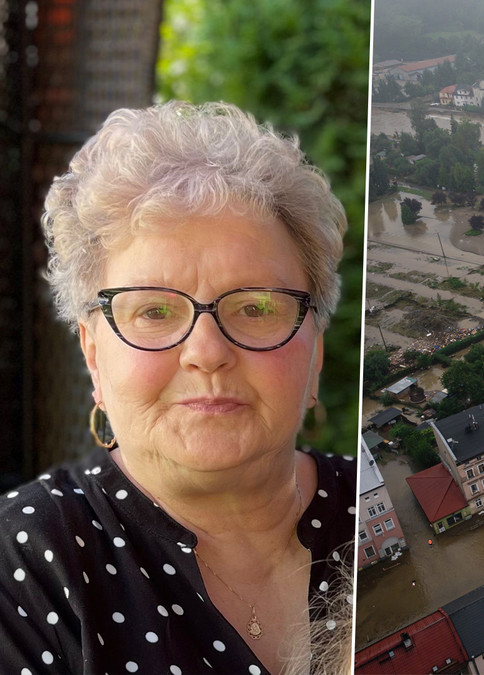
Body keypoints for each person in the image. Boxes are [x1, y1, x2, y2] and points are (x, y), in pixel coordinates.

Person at [0, 102, 356, 674]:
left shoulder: (379, 503)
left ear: (314, 349)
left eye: (257, 306)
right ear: (94, 353)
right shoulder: (24, 568)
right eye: (155, 311)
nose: (207, 352)